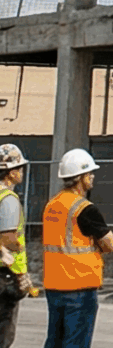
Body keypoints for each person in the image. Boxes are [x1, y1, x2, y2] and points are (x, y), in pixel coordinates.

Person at [40, 148, 113, 348]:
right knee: (76, 342)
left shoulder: (51, 205)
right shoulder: (85, 209)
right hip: (79, 286)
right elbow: (110, 244)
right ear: (80, 177)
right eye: (89, 173)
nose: (92, 177)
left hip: (54, 285)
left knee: (55, 341)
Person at [0, 144, 29, 348]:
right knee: (3, 335)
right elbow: (8, 238)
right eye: (20, 168)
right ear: (11, 172)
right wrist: (21, 274)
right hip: (5, 276)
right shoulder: (8, 199)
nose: (22, 173)